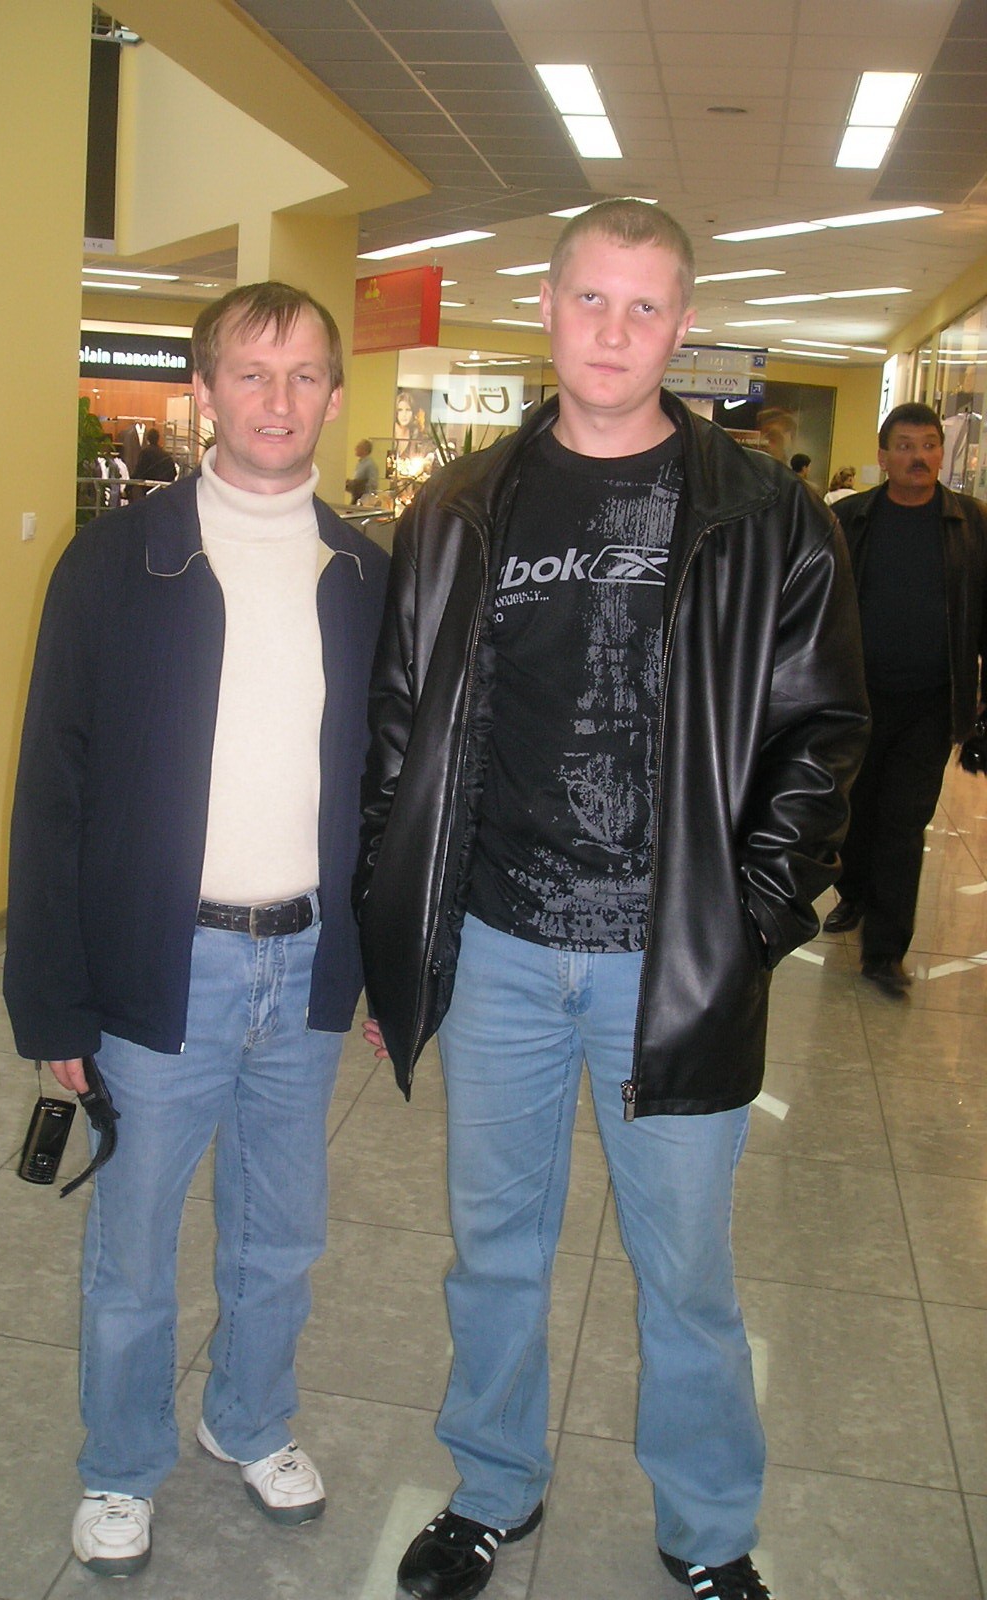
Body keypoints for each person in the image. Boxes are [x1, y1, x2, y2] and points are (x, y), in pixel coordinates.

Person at [357, 199, 868, 1600]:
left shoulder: (766, 515)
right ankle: (492, 1487)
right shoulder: (462, 507)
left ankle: (708, 1527)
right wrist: (397, 931)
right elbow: (402, 731)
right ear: (547, 304)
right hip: (501, 950)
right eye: (592, 298)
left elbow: (823, 735)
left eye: (646, 306)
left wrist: (752, 920)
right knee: (495, 1251)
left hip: (676, 961)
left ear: (684, 327)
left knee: (686, 1270)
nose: (614, 329)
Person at [3, 281, 389, 1578]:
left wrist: (391, 965)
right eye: (252, 373)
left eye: (303, 375)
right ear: (206, 390)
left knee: (282, 1233)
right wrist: (52, 1000)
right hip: (162, 967)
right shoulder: (120, 561)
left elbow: (394, 791)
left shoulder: (365, 574)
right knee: (134, 1246)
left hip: (308, 959)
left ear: (334, 395)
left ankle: (249, 1418)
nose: (279, 400)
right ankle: (121, 1463)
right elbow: (51, 788)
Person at [824, 402, 987, 993]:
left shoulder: (972, 523)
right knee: (853, 811)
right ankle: (854, 893)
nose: (919, 457)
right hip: (856, 698)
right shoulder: (853, 519)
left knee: (903, 821)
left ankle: (884, 953)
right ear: (883, 455)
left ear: (942, 453)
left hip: (931, 702)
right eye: (905, 445)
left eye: (929, 445)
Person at [129, 425, 177, 499]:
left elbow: (138, 472)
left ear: (147, 439)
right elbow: (173, 473)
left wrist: (128, 488)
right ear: (158, 439)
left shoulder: (145, 453)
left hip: (148, 489)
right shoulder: (165, 455)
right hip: (162, 491)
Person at [345, 437, 379, 503]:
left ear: (364, 450)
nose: (355, 448)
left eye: (358, 447)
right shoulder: (360, 464)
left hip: (364, 500)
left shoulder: (370, 465)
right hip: (356, 497)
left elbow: (373, 484)